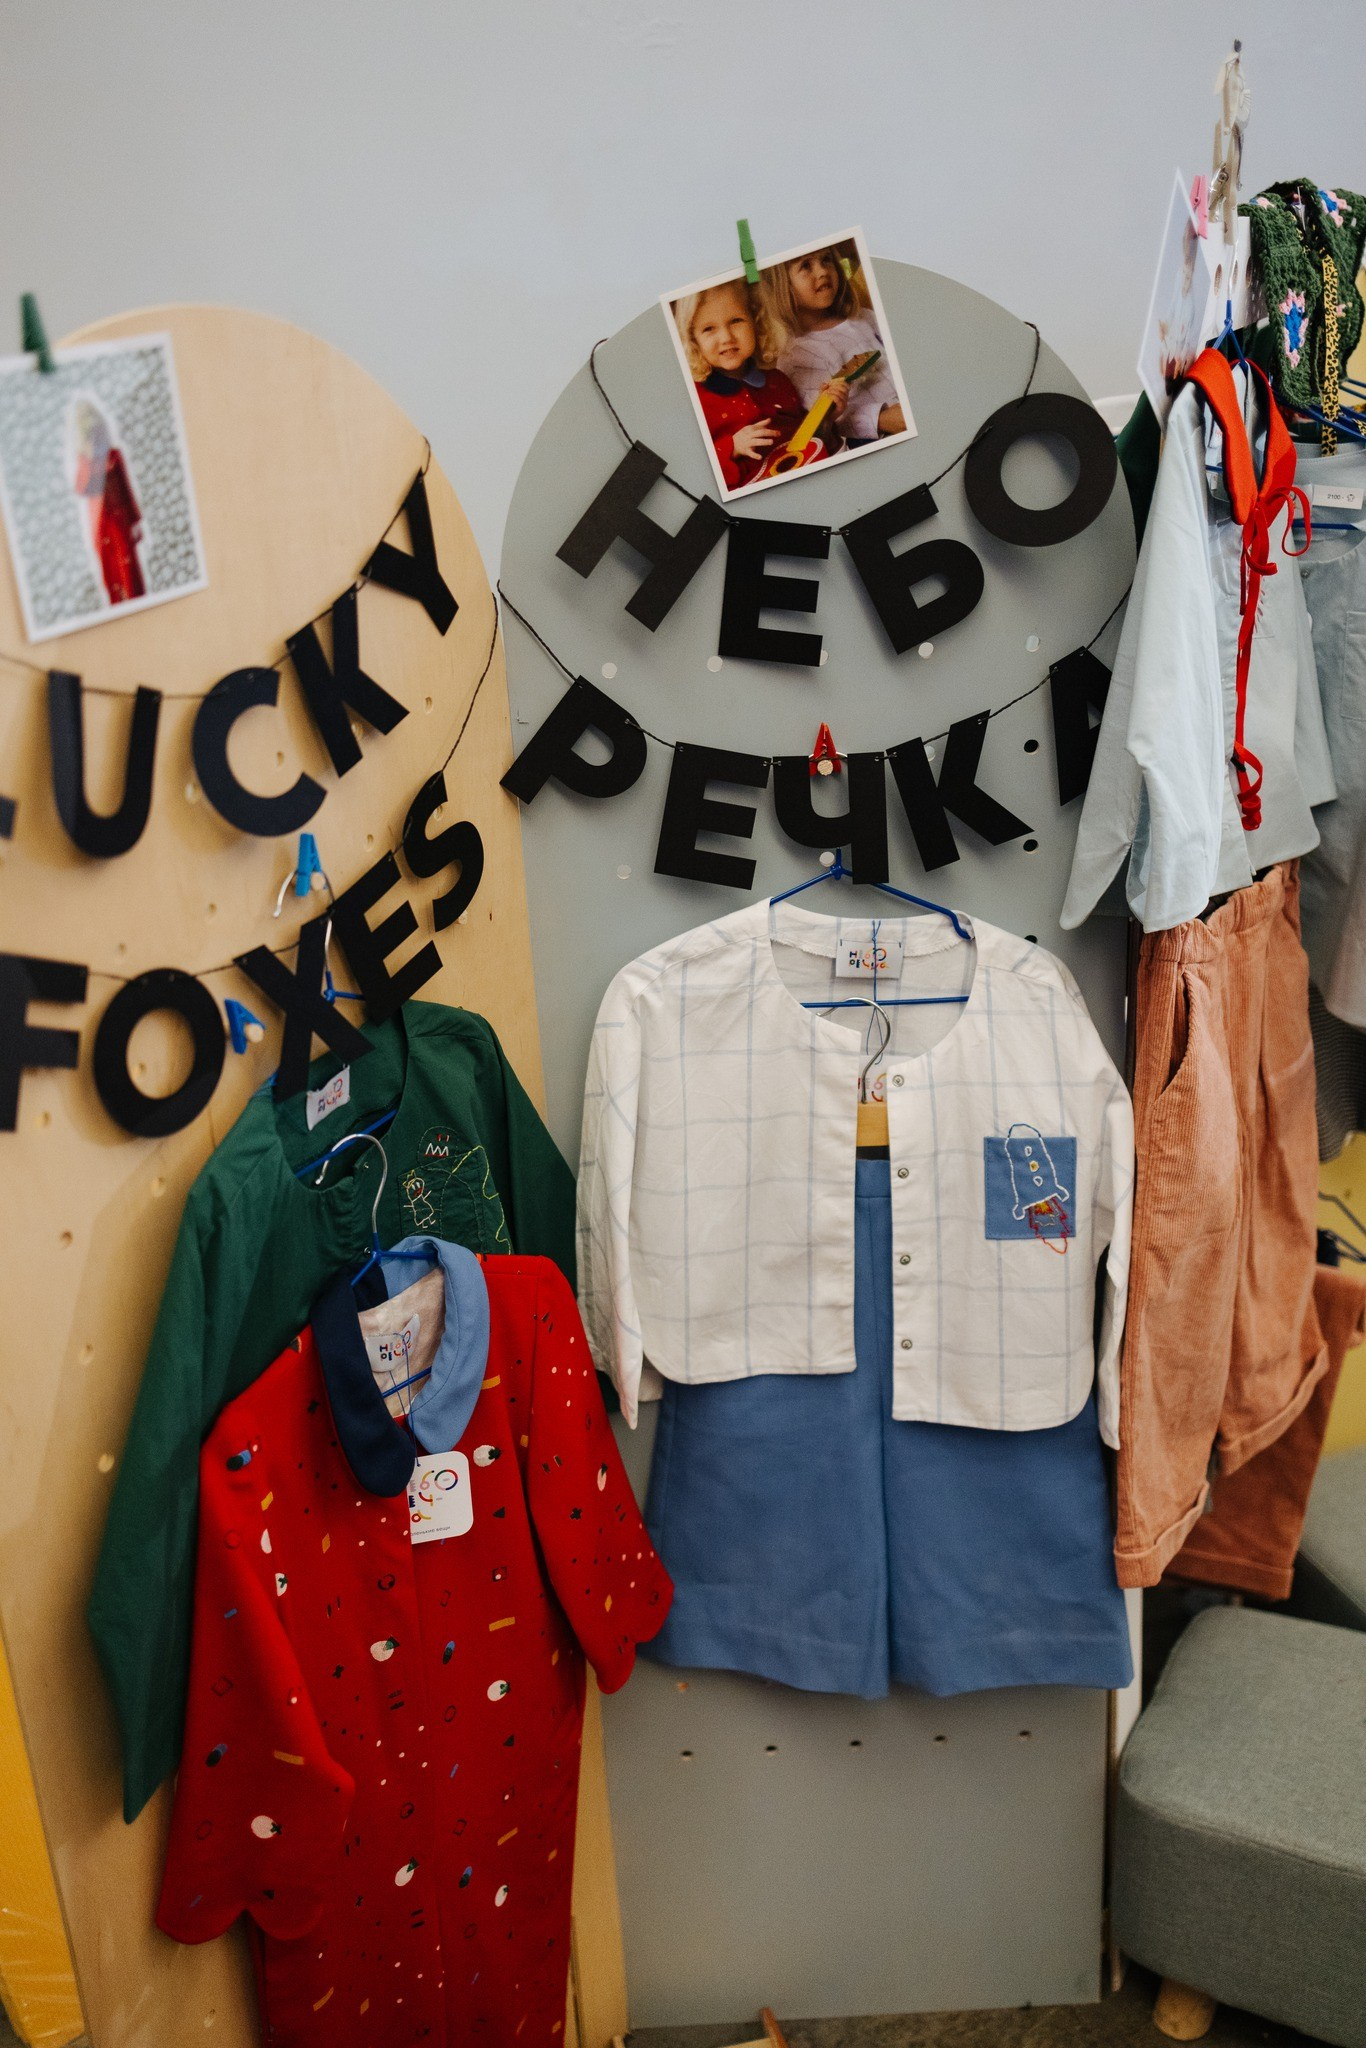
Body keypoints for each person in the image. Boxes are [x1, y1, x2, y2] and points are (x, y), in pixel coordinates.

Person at [674, 278, 846, 491]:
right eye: (709, 329)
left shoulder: (777, 380)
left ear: (756, 321)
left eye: (736, 321)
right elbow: (695, 473)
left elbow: (803, 438)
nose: (726, 337)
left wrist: (825, 416)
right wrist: (732, 447)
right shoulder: (696, 400)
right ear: (693, 340)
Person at [768, 246, 906, 445]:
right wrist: (881, 420)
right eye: (806, 265)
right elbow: (824, 419)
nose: (823, 271)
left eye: (826, 259)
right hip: (877, 436)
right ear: (781, 286)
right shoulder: (796, 356)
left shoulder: (863, 317)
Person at [69, 395, 145, 606]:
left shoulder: (114, 455)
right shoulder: (85, 461)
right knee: (111, 574)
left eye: (97, 430)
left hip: (122, 521)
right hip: (101, 525)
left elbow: (127, 489)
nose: (95, 435)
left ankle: (137, 603)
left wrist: (136, 521)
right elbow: (81, 489)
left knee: (128, 569)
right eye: (89, 433)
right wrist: (87, 458)